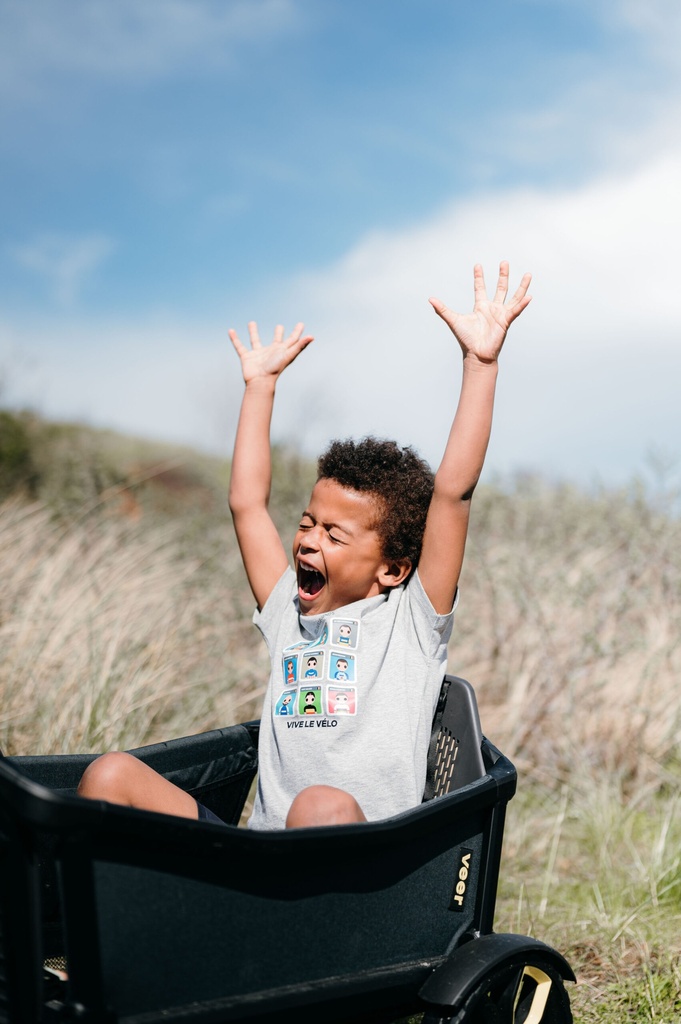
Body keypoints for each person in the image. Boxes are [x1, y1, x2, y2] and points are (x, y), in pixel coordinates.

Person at [76, 261, 531, 830]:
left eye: (334, 534)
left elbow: (453, 494)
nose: (309, 540)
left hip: (356, 875)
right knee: (110, 774)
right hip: (261, 866)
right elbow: (246, 502)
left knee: (320, 803)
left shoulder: (411, 625)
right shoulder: (288, 611)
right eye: (308, 523)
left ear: (391, 569)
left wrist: (481, 363)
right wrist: (260, 387)